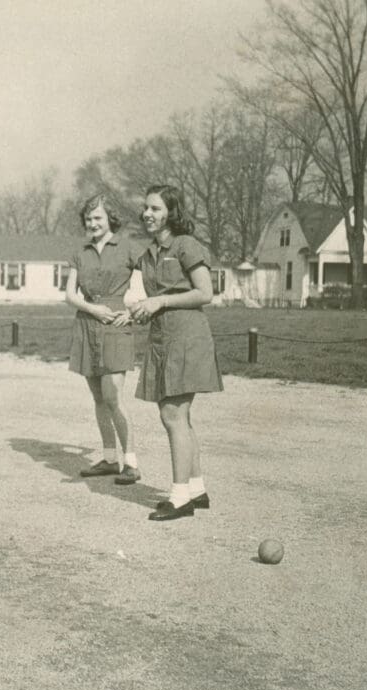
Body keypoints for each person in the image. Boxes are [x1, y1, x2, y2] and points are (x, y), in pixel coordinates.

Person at [128, 185, 222, 521]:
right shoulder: (150, 252)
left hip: (186, 337)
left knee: (172, 416)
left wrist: (161, 301)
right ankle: (196, 489)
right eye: (146, 209)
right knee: (181, 417)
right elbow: (148, 297)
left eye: (154, 209)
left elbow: (205, 293)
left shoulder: (186, 245)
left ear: (172, 212)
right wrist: (137, 309)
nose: (147, 214)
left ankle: (179, 498)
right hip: (162, 338)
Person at [65, 194, 144, 485]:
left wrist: (133, 312)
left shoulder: (128, 247)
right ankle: (110, 459)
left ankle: (132, 463)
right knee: (98, 397)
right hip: (87, 324)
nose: (92, 223)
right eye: (88, 218)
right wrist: (92, 308)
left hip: (115, 325)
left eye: (97, 217)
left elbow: (153, 283)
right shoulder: (80, 252)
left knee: (113, 396)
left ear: (111, 218)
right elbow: (70, 294)